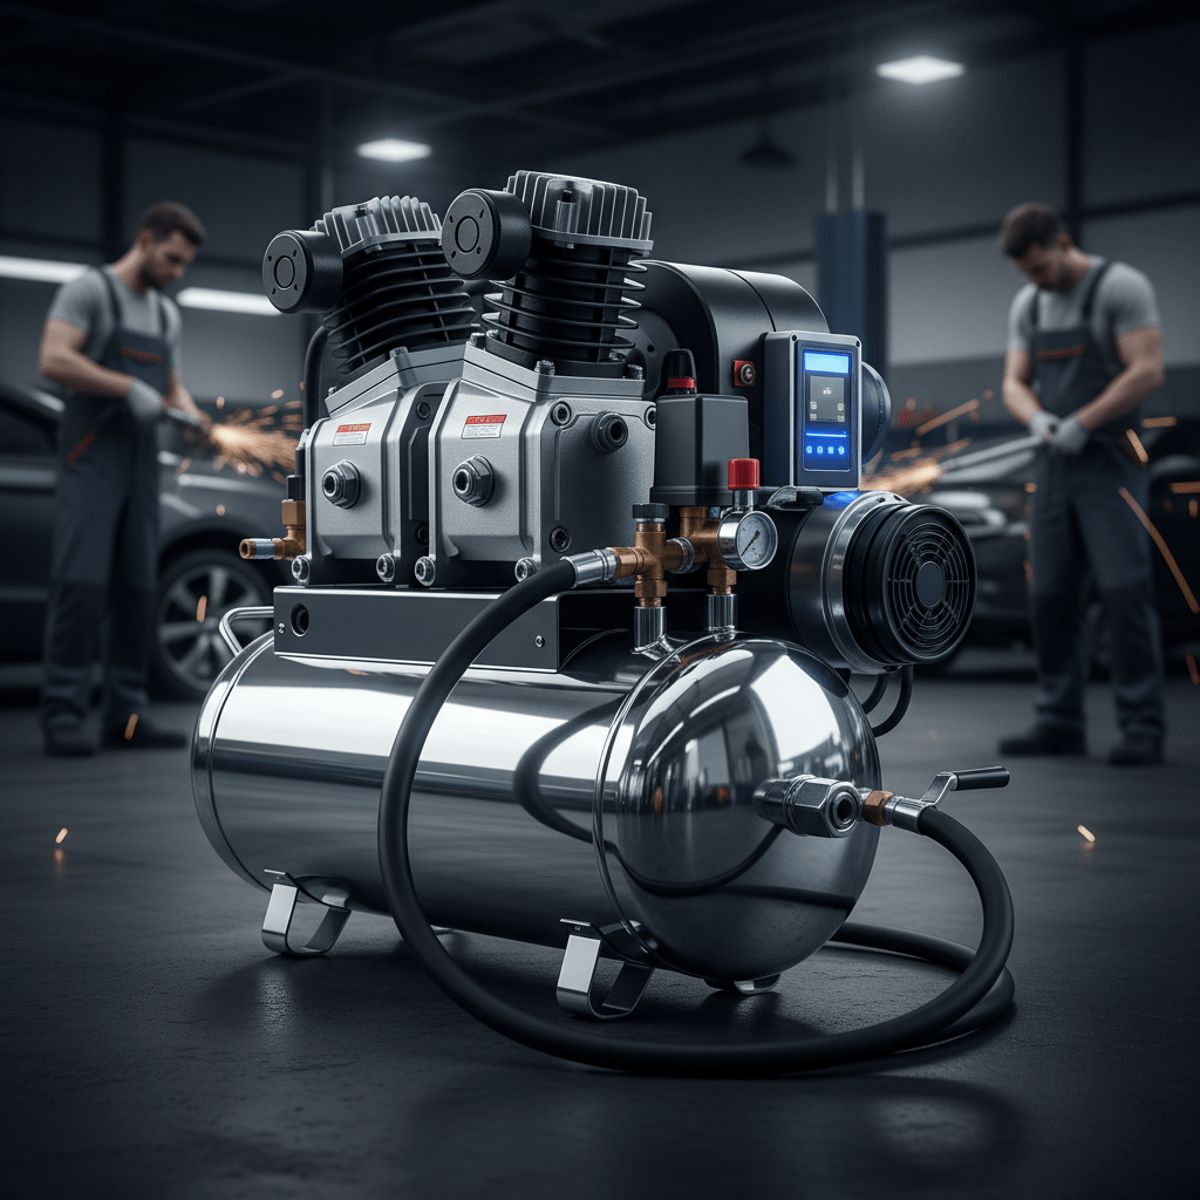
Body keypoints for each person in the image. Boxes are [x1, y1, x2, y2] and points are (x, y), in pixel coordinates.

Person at [995, 202, 1166, 766]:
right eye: (1027, 273)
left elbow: (1146, 371)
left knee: (1124, 591)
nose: (1036, 280)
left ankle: (1143, 724)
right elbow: (1014, 383)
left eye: (1041, 268)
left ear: (1063, 243)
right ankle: (1059, 719)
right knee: (1049, 595)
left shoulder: (1121, 287)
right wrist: (1037, 418)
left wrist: (1083, 422)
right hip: (1053, 464)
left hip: (1110, 461)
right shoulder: (1030, 302)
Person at [38, 201, 210, 756]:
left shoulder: (164, 313)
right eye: (171, 259)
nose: (177, 272)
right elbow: (53, 359)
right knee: (81, 587)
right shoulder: (89, 291)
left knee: (138, 587)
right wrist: (123, 387)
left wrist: (190, 414)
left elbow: (172, 386)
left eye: (184, 264)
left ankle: (127, 716)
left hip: (140, 459)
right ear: (144, 239)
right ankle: (63, 712)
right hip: (91, 455)